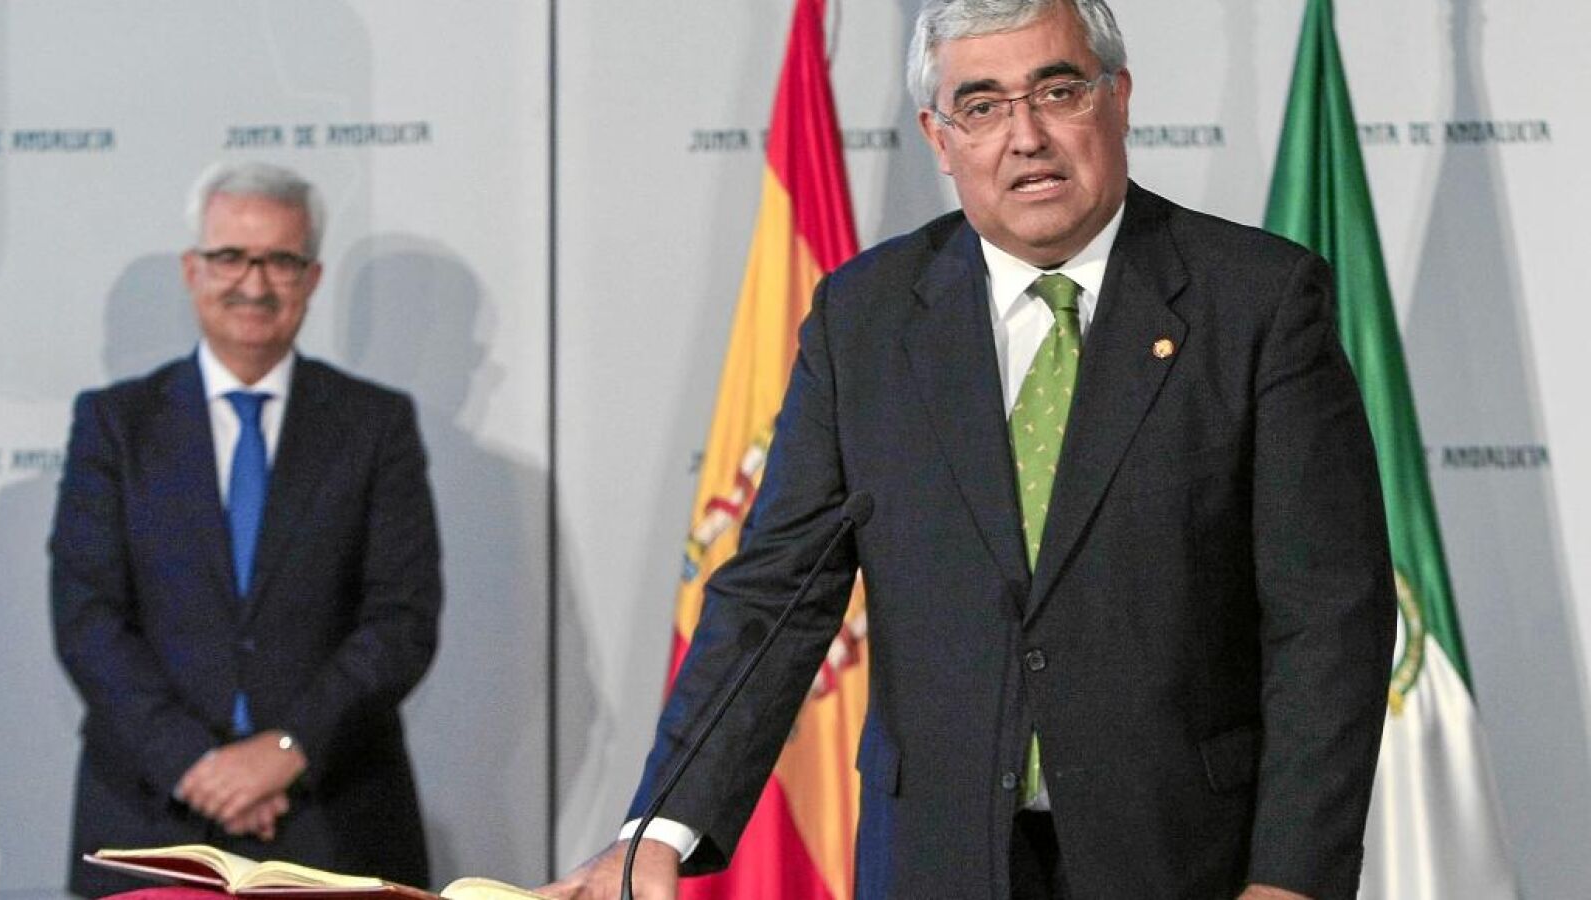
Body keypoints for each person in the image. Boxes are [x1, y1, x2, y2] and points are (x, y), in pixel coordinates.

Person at [541, 0, 1396, 898]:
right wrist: (660, 829)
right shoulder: (864, 319)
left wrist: (1293, 877)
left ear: (1118, 98)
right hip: (936, 859)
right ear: (939, 138)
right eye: (981, 106)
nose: (1025, 137)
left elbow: (1329, 618)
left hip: (1183, 859)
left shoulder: (1256, 301)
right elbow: (775, 596)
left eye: (1058, 92)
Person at [50, 162, 441, 897]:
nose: (254, 284)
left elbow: (402, 620)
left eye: (280, 261)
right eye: (230, 256)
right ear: (192, 269)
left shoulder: (375, 424)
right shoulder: (114, 424)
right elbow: (87, 617)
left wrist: (287, 749)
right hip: (149, 817)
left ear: (312, 277)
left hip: (334, 816)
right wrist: (196, 764)